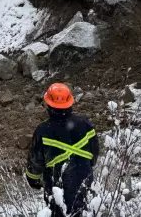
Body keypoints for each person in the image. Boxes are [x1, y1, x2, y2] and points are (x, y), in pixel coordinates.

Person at [26, 83, 99, 217]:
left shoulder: (43, 130)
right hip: (84, 182)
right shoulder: (86, 124)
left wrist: (33, 180)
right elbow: (94, 156)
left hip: (57, 188)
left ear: (48, 105)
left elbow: (35, 163)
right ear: (70, 103)